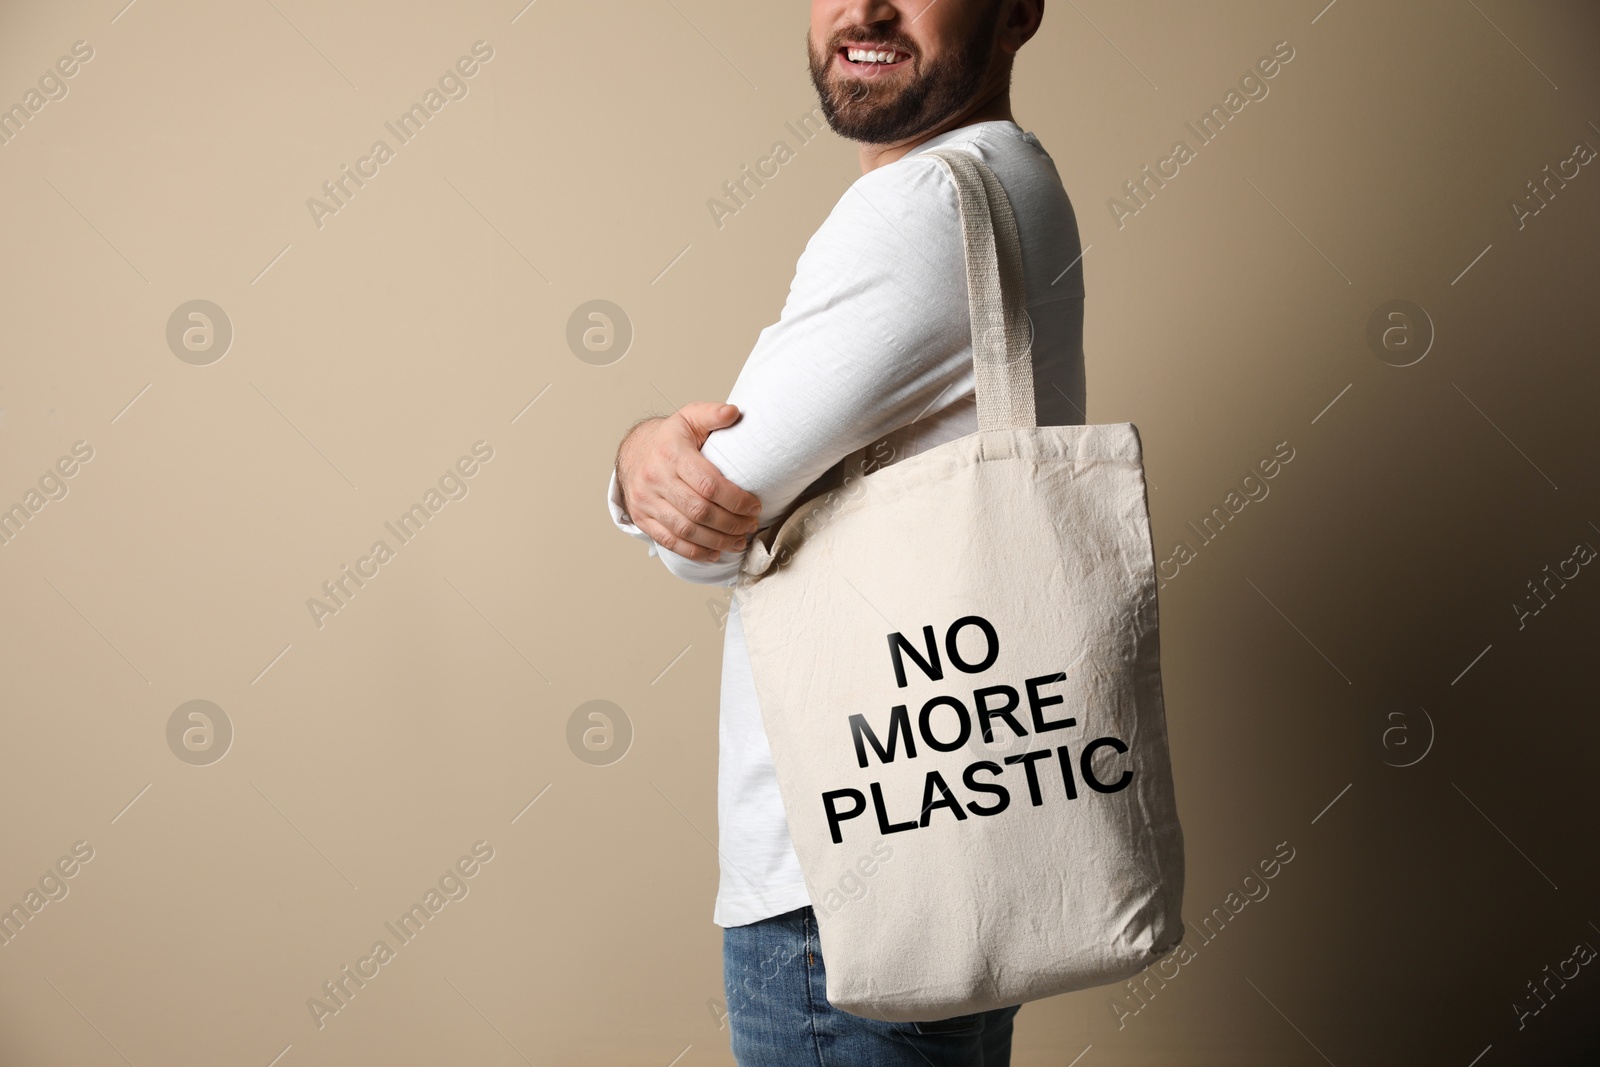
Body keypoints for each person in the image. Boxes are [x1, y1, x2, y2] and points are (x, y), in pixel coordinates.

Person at [606, 1, 1083, 1061]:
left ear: (1017, 12)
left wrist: (640, 455)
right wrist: (649, 463)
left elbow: (699, 530)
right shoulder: (1017, 177)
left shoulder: (920, 208)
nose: (862, 9)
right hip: (949, 832)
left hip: (840, 875)